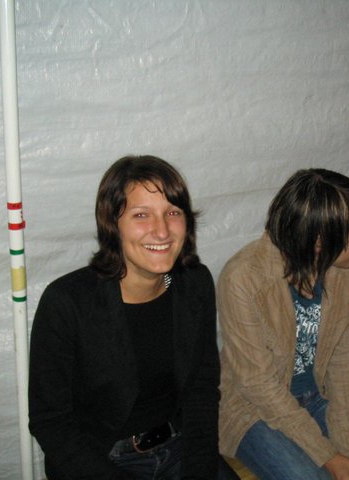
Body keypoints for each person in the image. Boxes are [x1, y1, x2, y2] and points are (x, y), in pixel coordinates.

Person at [29, 155, 239, 480]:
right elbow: (51, 422)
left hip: (178, 447)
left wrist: (198, 472)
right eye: (141, 215)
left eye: (173, 212)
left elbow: (201, 389)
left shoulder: (194, 284)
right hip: (101, 461)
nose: (162, 230)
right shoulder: (67, 303)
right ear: (112, 224)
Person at [217, 169, 349, 480]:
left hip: (324, 396)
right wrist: (329, 457)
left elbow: (347, 365)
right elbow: (258, 384)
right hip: (256, 410)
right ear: (319, 241)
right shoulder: (243, 279)